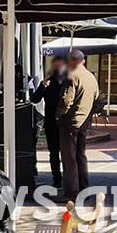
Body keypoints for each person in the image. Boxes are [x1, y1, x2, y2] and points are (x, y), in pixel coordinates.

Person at [55, 49, 99, 202]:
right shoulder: (91, 77)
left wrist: (58, 115)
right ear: (83, 61)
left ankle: (71, 193)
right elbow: (97, 99)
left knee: (69, 159)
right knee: (81, 156)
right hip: (84, 122)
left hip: (70, 123)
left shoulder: (72, 76)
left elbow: (66, 100)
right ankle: (84, 189)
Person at [31, 56, 67, 188]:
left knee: (65, 153)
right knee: (54, 152)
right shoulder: (49, 82)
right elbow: (34, 99)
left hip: (64, 122)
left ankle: (66, 179)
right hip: (51, 122)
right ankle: (57, 179)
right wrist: (42, 85)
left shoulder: (68, 82)